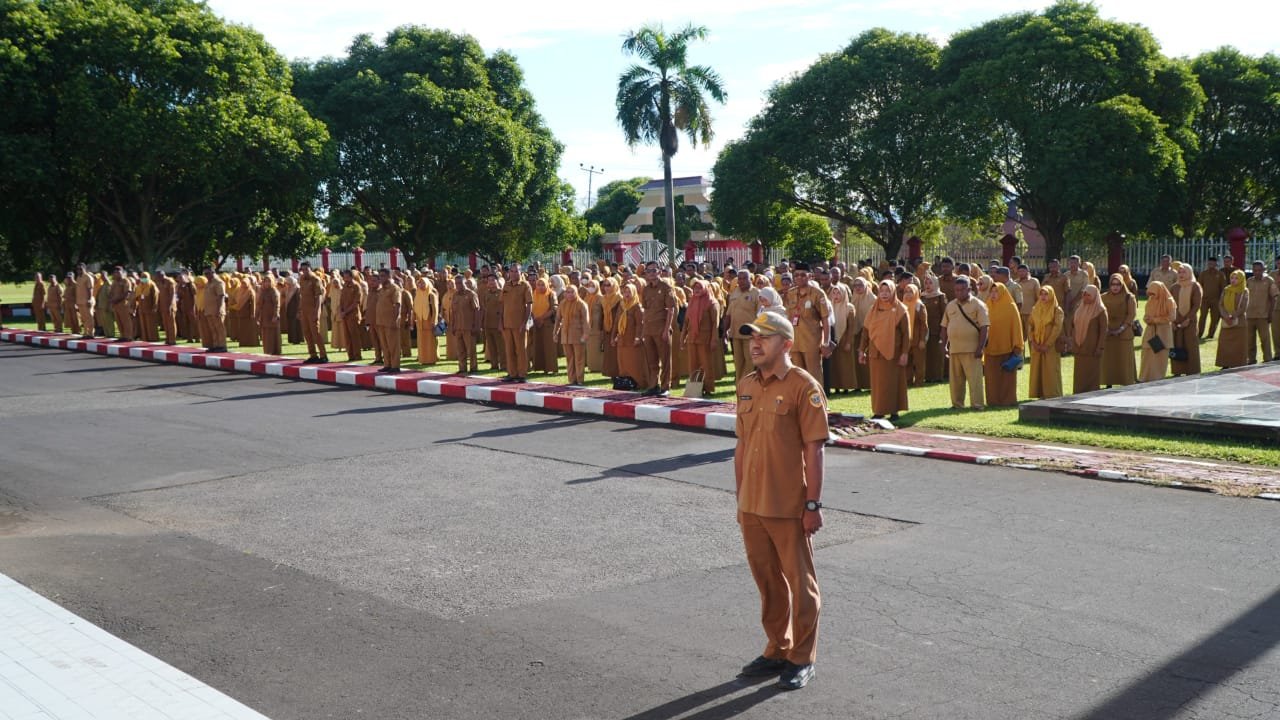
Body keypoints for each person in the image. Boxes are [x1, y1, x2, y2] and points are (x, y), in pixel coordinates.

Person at [733, 311, 827, 691]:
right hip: (752, 504)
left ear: (786, 343)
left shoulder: (804, 387)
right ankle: (777, 647)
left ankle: (802, 657)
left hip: (788, 505)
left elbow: (814, 450)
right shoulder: (746, 384)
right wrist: (740, 498)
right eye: (752, 337)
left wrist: (812, 505)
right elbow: (742, 446)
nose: (755, 344)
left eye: (764, 337)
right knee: (767, 581)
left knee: (801, 585)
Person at [859, 280, 909, 419]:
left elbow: (906, 334)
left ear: (893, 292)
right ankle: (879, 411)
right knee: (878, 384)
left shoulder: (900, 309)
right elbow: (865, 332)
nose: (884, 294)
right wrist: (861, 350)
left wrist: (905, 353)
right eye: (882, 291)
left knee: (893, 382)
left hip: (894, 353)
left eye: (888, 291)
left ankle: (894, 411)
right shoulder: (873, 309)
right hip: (875, 353)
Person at [940, 276, 989, 410]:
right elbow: (944, 326)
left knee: (975, 379)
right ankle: (957, 404)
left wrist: (980, 348)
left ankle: (977, 404)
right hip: (954, 349)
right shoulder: (951, 305)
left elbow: (984, 327)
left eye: (962, 290)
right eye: (956, 290)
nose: (959, 292)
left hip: (972, 349)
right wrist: (944, 344)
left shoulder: (978, 305)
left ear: (969, 289)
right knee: (956, 380)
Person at [783, 263, 833, 385]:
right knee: (797, 374)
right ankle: (801, 397)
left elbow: (825, 319)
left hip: (812, 341)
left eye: (803, 275)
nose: (799, 277)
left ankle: (816, 397)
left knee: (814, 374)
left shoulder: (817, 294)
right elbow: (788, 318)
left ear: (810, 276)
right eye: (796, 275)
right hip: (795, 341)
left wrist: (826, 342)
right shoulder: (790, 293)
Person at [983, 282, 1024, 406]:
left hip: (1007, 349)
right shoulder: (986, 306)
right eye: (992, 291)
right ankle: (992, 401)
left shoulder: (1011, 307)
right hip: (990, 348)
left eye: (996, 291)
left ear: (1002, 292)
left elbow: (1016, 327)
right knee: (991, 377)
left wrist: (1017, 346)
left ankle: (1008, 400)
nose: (993, 294)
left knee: (1007, 377)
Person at [641, 262, 677, 395]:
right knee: (651, 360)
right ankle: (653, 385)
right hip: (649, 328)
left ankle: (665, 387)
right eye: (648, 271)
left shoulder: (666, 287)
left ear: (659, 272)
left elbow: (671, 310)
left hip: (661, 327)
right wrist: (644, 329)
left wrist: (667, 329)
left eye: (654, 270)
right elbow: (645, 309)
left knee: (665, 359)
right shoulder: (646, 289)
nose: (651, 273)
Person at [681, 279, 722, 395]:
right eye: (695, 288)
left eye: (700, 288)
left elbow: (715, 324)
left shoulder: (712, 303)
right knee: (693, 365)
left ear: (706, 288)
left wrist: (714, 340)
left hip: (705, 339)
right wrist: (682, 338)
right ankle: (695, 390)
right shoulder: (692, 301)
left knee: (706, 364)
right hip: (692, 339)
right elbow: (686, 322)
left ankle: (708, 389)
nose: (697, 290)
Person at [1100, 274, 1138, 388]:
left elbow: (1131, 314)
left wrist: (1121, 328)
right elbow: (1100, 314)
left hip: (1124, 332)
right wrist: (1106, 328)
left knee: (1124, 358)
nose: (1115, 287)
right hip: (1108, 332)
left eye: (1118, 284)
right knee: (1109, 358)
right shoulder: (1103, 297)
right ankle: (1108, 382)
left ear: (1122, 285)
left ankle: (1126, 381)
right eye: (1113, 284)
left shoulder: (1129, 297)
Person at [1069, 285, 1108, 393]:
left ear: (1095, 295)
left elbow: (1103, 331)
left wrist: (1100, 347)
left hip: (1092, 349)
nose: (1086, 297)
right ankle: (1078, 394)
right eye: (1084, 295)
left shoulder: (1100, 311)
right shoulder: (1079, 308)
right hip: (1079, 348)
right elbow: (1072, 326)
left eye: (1088, 295)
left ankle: (1092, 394)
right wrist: (1072, 341)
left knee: (1092, 374)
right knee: (1079, 374)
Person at [1027, 287, 1064, 399]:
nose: (1043, 296)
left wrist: (1047, 344)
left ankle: (1052, 394)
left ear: (1051, 295)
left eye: (1046, 294)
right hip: (1037, 345)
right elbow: (1030, 325)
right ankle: (1040, 393)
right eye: (1041, 294)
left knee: (1050, 369)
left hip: (1050, 346)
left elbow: (1057, 328)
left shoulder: (1057, 310)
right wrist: (1033, 342)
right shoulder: (1035, 308)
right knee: (1037, 369)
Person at [725, 270, 760, 382]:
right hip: (735, 335)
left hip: (750, 336)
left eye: (745, 278)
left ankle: (750, 387)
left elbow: (760, 316)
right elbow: (728, 314)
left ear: (750, 280)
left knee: (750, 363)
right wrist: (724, 331)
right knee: (738, 363)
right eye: (739, 279)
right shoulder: (735, 292)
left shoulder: (757, 293)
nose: (741, 281)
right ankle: (740, 388)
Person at [500, 264, 533, 382]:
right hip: (506, 323)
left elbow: (529, 305)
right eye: (512, 271)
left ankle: (522, 374)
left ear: (521, 272)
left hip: (519, 324)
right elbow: (502, 304)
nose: (514, 274)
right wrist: (500, 321)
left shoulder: (525, 285)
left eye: (516, 271)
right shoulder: (506, 285)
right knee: (509, 350)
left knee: (521, 350)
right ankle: (512, 373)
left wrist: (525, 322)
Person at [612, 282, 648, 390]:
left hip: (633, 341)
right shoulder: (621, 305)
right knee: (623, 363)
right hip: (622, 340)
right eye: (624, 292)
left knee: (634, 363)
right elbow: (616, 322)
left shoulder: (637, 307)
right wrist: (613, 337)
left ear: (634, 292)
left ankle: (638, 383)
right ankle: (625, 383)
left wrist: (638, 338)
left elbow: (640, 324)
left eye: (629, 292)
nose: (626, 294)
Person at [1139, 281, 1175, 382]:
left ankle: (1157, 378)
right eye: (1150, 294)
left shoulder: (1169, 301)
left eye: (1153, 293)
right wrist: (1146, 319)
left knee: (1160, 356)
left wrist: (1155, 320)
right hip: (1150, 331)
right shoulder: (1150, 300)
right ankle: (1144, 377)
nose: (1152, 296)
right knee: (1147, 354)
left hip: (1163, 333)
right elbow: (1146, 315)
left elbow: (1172, 317)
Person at [1170, 264, 1202, 377]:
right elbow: (1170, 305)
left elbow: (1196, 305)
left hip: (1190, 321)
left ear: (1189, 272)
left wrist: (1188, 319)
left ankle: (1192, 370)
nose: (1181, 274)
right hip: (1176, 321)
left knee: (1190, 345)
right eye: (1179, 272)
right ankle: (1177, 371)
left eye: (1184, 272)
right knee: (1177, 344)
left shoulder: (1195, 286)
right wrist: (1172, 321)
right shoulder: (1174, 287)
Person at [554, 284, 589, 385]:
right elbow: (558, 319)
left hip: (578, 335)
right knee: (569, 358)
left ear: (576, 292)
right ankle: (572, 379)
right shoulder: (562, 303)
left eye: (572, 292)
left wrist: (585, 335)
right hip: (565, 335)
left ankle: (580, 380)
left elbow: (586, 321)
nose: (569, 294)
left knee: (579, 358)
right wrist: (555, 333)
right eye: (567, 292)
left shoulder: (581, 304)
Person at [1247, 261, 1280, 363]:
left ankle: (1267, 360)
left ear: (1263, 270)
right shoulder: (1249, 281)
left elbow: (1274, 297)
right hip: (1249, 315)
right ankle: (1251, 360)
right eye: (1255, 270)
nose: (1257, 272)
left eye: (1259, 270)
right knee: (1249, 340)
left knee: (1265, 340)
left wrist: (1270, 313)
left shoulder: (1269, 281)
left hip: (1263, 315)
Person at [827, 284, 857, 393]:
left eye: (838, 293)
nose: (836, 295)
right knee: (834, 364)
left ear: (844, 294)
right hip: (833, 339)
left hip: (844, 338)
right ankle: (836, 387)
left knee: (845, 364)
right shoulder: (829, 307)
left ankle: (846, 387)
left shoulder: (849, 308)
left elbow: (851, 327)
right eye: (834, 293)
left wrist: (849, 342)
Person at [1217, 270, 1250, 368]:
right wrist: (1226, 316)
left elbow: (1243, 307)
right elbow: (1220, 304)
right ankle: (1225, 364)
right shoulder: (1226, 289)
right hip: (1226, 321)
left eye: (1236, 278)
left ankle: (1237, 364)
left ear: (1241, 279)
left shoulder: (1244, 291)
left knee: (1238, 345)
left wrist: (1232, 316)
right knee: (1224, 343)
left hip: (1239, 322)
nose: (1233, 280)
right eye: (1232, 278)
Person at [449, 274, 480, 374]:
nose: (458, 285)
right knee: (460, 350)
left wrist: (476, 326)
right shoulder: (455, 295)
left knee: (471, 350)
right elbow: (453, 312)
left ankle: (473, 368)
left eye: (460, 283)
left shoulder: (471, 294)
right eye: (456, 283)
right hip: (458, 327)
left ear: (464, 282)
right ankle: (462, 368)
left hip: (469, 327)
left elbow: (476, 311)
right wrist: (453, 325)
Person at [297, 263, 328, 363]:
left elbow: (319, 297)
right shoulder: (302, 279)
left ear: (311, 269)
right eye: (303, 269)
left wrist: (317, 312)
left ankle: (323, 355)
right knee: (307, 333)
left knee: (316, 333)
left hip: (313, 310)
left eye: (307, 269)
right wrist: (299, 309)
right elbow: (301, 296)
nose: (305, 271)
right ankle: (313, 355)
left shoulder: (315, 279)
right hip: (304, 310)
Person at [374, 269, 403, 373]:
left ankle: (395, 366)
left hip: (390, 321)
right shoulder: (381, 289)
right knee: (384, 345)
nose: (380, 278)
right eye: (380, 276)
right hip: (381, 321)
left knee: (393, 345)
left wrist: (395, 319)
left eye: (382, 276)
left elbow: (397, 305)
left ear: (389, 276)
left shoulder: (394, 288)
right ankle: (387, 364)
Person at [920, 275, 947, 382]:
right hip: (925, 329)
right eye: (926, 283)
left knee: (937, 354)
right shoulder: (922, 296)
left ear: (935, 283)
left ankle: (937, 376)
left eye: (930, 283)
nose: (928, 285)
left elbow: (945, 314)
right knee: (927, 354)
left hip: (937, 329)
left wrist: (943, 329)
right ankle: (928, 376)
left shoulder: (940, 296)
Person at [529, 276, 559, 375]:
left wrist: (541, 318)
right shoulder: (533, 294)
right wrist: (535, 318)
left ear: (547, 285)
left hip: (547, 323)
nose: (540, 287)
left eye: (543, 285)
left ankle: (550, 368)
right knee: (538, 345)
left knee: (549, 346)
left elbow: (554, 308)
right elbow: (530, 308)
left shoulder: (551, 294)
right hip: (536, 324)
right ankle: (539, 367)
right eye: (538, 285)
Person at [1198, 256, 1226, 339]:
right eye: (1209, 263)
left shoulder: (1220, 274)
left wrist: (1222, 299)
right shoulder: (1203, 274)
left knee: (1215, 318)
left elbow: (1223, 288)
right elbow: (1199, 286)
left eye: (1213, 264)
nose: (1211, 265)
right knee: (1202, 317)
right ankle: (1199, 333)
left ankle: (1211, 334)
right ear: (1207, 264)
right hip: (1204, 299)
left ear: (1216, 264)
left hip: (1216, 300)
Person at [201, 267, 227, 352]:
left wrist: (219, 309)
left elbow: (221, 296)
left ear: (213, 272)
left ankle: (222, 346)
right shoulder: (208, 283)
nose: (206, 275)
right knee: (213, 329)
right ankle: (216, 345)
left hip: (216, 310)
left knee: (219, 329)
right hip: (209, 310)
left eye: (208, 273)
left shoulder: (218, 282)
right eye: (205, 274)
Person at [257, 274, 282, 355]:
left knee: (272, 334)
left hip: (272, 316)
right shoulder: (263, 291)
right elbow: (259, 304)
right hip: (264, 316)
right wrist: (258, 315)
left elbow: (277, 304)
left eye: (269, 281)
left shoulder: (274, 291)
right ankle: (267, 351)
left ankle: (273, 351)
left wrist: (275, 315)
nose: (267, 283)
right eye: (265, 281)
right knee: (265, 334)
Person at [108, 267, 132, 340]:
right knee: (118, 321)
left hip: (123, 304)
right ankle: (122, 335)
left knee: (125, 321)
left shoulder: (125, 281)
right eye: (115, 273)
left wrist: (117, 300)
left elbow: (127, 293)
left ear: (122, 273)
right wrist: (111, 300)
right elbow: (111, 292)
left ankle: (128, 336)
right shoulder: (114, 282)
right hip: (115, 305)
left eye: (118, 273)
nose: (116, 274)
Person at [74, 264, 96, 338]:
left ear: (84, 269)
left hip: (87, 300)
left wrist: (89, 299)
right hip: (80, 301)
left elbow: (90, 289)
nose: (79, 271)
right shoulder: (78, 278)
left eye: (81, 269)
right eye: (78, 269)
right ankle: (86, 333)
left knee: (89, 317)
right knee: (83, 318)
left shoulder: (88, 277)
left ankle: (91, 333)